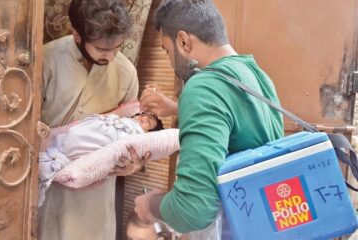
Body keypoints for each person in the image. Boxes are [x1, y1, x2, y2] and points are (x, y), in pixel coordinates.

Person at [134, 0, 284, 239]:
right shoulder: (256, 76)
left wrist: (150, 204)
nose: (170, 61)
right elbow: (235, 122)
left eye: (166, 50)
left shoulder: (203, 87)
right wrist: (176, 107)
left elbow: (192, 209)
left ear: (183, 41)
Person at [38, 0, 145, 239]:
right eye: (103, 49)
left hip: (97, 195)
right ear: (76, 34)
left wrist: (135, 163)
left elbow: (132, 133)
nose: (112, 56)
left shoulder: (126, 72)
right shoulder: (45, 60)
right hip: (47, 185)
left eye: (118, 47)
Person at [38, 112, 164, 207]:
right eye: (144, 115)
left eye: (149, 123)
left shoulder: (137, 135)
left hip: (101, 147)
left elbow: (136, 151)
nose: (145, 118)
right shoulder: (122, 119)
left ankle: (59, 160)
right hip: (73, 136)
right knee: (76, 135)